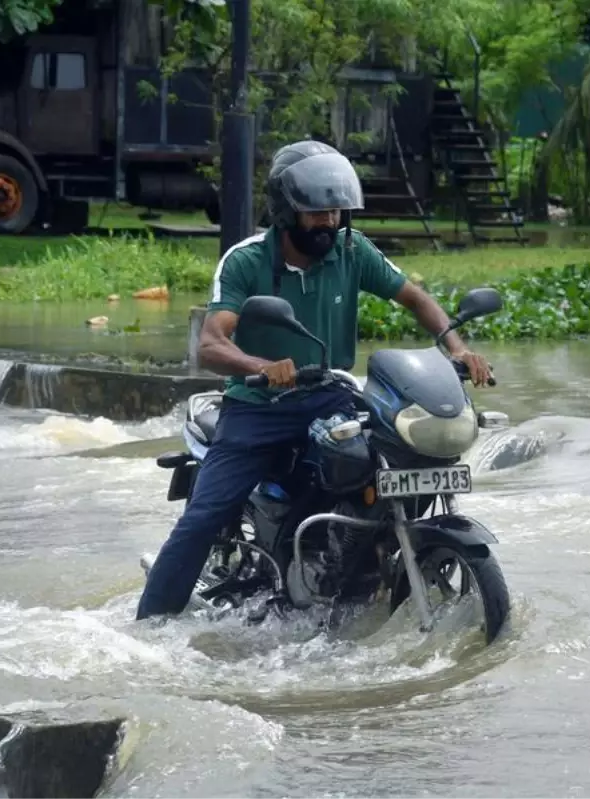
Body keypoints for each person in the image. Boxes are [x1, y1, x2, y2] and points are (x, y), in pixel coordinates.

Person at [135, 139, 492, 621]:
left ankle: (358, 559)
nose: (328, 222)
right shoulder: (245, 261)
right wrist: (260, 367)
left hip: (332, 394)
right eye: (315, 213)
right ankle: (151, 625)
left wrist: (457, 348)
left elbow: (414, 298)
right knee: (205, 518)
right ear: (286, 211)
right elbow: (212, 344)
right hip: (258, 407)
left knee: (392, 460)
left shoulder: (352, 250)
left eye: (336, 212)